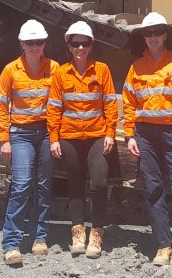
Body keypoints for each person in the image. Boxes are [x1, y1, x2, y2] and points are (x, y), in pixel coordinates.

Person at [122, 12, 172, 266]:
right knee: (153, 190)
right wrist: (129, 136)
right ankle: (163, 245)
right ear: (143, 38)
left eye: (157, 32)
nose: (153, 37)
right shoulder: (136, 67)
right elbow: (129, 103)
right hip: (145, 135)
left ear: (166, 35)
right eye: (148, 33)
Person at [47, 21, 119, 258]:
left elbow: (109, 103)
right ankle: (78, 230)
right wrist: (54, 138)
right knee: (75, 183)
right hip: (68, 137)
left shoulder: (102, 70)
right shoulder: (60, 73)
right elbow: (55, 107)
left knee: (98, 182)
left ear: (91, 45)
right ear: (68, 45)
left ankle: (97, 231)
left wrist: (110, 133)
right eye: (75, 43)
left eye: (84, 43)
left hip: (96, 136)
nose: (80, 48)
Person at [0, 19, 57, 267]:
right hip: (20, 133)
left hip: (47, 133)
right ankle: (11, 243)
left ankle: (40, 237)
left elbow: (61, 101)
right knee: (21, 185)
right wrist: (4, 139)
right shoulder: (11, 71)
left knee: (43, 186)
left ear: (44, 44)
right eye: (30, 42)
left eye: (39, 42)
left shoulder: (54, 68)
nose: (35, 46)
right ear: (22, 43)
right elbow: (0, 104)